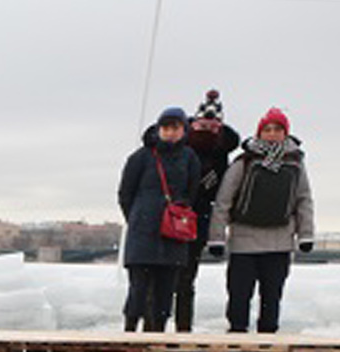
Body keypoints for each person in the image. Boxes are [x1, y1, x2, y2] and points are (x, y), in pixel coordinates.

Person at [209, 108, 316, 335]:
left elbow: (303, 200)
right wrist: (217, 238)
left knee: (272, 296)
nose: (272, 134)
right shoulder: (244, 162)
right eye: (267, 129)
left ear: (285, 133)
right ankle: (237, 336)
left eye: (278, 129)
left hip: (280, 241)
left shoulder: (295, 163)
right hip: (244, 240)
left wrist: (306, 234)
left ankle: (268, 339)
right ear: (259, 133)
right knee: (239, 294)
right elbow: (223, 201)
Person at [118, 106, 201, 333]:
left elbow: (193, 192)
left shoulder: (189, 158)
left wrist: (176, 215)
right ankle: (130, 332)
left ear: (183, 130)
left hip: (173, 234)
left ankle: (156, 334)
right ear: (158, 129)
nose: (170, 132)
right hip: (143, 233)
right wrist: (138, 218)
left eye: (175, 127)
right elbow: (125, 193)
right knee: (138, 290)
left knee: (165, 291)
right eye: (166, 127)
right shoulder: (141, 157)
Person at [176, 90, 240, 332]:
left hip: (198, 220)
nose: (207, 129)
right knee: (163, 281)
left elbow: (223, 197)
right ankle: (155, 328)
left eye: (212, 126)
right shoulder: (180, 148)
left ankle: (183, 330)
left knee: (186, 280)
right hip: (173, 218)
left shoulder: (221, 152)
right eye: (202, 124)